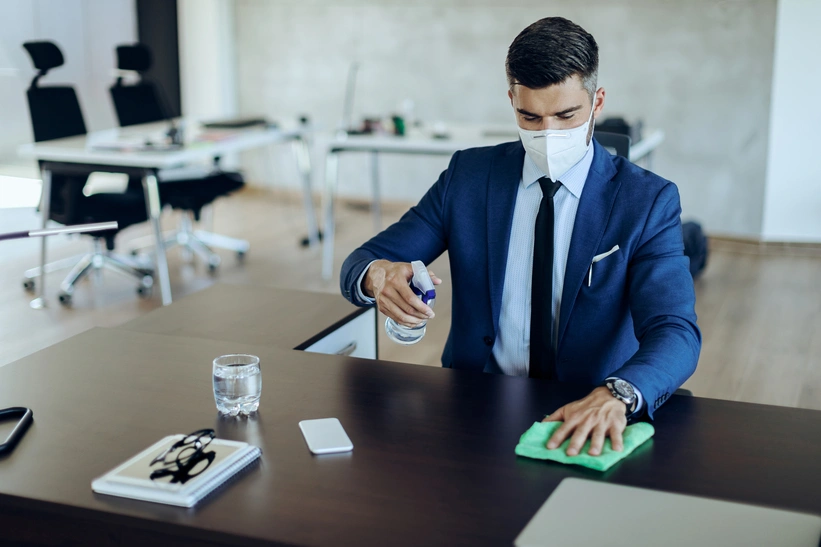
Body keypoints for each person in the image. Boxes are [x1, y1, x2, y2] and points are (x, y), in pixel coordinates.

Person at [340, 17, 700, 457]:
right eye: (530, 116)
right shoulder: (468, 177)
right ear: (512, 100)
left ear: (597, 102)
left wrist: (619, 393)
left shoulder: (647, 200)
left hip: (588, 406)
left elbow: (675, 329)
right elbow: (366, 259)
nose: (548, 133)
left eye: (566, 115)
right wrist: (377, 275)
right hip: (475, 404)